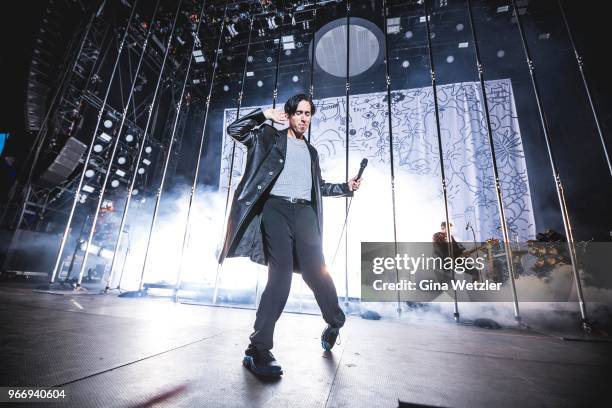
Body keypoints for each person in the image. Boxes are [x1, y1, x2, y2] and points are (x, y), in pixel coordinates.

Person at [218, 93, 362, 378]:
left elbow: (317, 186)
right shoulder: (269, 137)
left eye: (308, 114)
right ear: (289, 114)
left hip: (305, 213)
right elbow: (234, 130)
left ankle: (334, 321)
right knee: (280, 276)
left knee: (318, 274)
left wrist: (345, 187)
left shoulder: (312, 152)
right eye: (299, 113)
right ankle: (258, 348)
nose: (304, 119)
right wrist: (263, 116)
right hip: (275, 208)